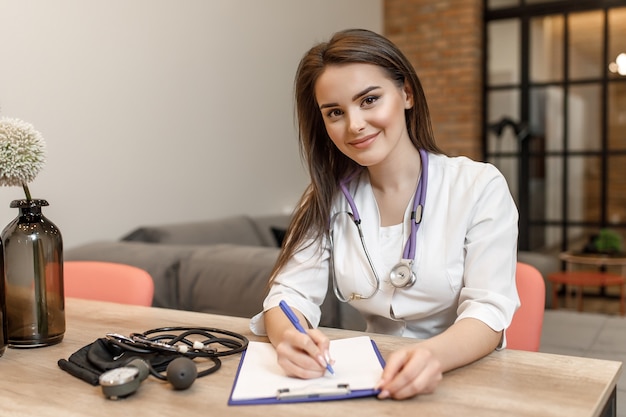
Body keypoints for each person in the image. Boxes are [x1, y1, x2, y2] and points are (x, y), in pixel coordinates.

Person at [249, 28, 519, 400]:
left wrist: (431, 356)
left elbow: (489, 312)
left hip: (460, 377)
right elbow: (287, 296)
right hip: (371, 379)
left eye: (369, 100)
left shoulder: (479, 186)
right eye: (335, 112)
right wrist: (290, 339)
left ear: (406, 94)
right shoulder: (325, 196)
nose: (354, 124)